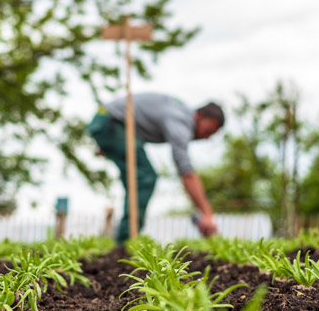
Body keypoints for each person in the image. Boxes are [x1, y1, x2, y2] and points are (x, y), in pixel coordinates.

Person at [87, 92, 225, 244]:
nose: (206, 137)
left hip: (110, 122)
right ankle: (125, 244)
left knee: (137, 175)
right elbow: (186, 171)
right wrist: (206, 213)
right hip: (110, 122)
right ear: (199, 115)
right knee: (145, 176)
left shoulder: (180, 112)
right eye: (208, 131)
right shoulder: (180, 121)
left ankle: (125, 240)